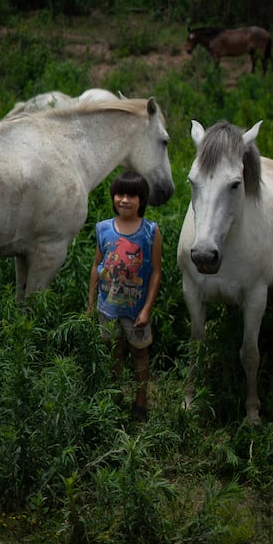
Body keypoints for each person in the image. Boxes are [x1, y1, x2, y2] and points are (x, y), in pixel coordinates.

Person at [88, 171, 162, 421]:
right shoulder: (103, 229)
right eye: (120, 194)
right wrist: (91, 304)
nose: (124, 200)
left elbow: (155, 272)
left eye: (131, 195)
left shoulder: (151, 231)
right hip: (107, 308)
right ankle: (114, 399)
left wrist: (146, 309)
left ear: (142, 200)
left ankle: (141, 403)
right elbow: (97, 266)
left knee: (140, 355)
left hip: (136, 310)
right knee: (113, 353)